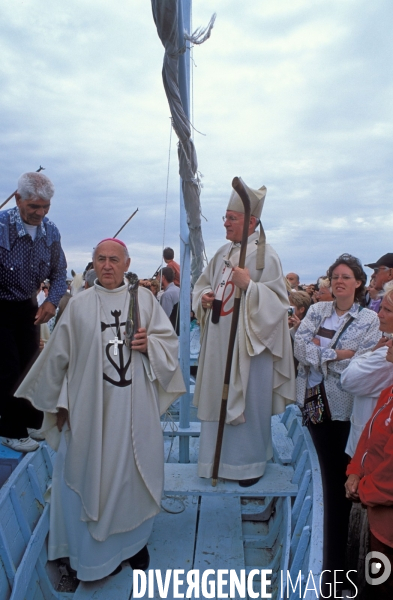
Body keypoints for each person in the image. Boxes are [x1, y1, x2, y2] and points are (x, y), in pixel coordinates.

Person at [15, 238, 185, 581]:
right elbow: (57, 358)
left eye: (114, 260)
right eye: (101, 259)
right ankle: (89, 557)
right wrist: (57, 406)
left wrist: (150, 345)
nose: (107, 265)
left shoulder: (145, 300)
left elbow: (170, 345)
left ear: (127, 263)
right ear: (93, 264)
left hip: (134, 409)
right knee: (88, 472)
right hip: (89, 409)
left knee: (132, 476)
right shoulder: (79, 305)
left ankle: (133, 544)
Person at [192, 182, 295, 487]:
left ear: (250, 221)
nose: (225, 222)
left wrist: (250, 286)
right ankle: (216, 462)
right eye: (225, 217)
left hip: (250, 347)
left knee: (249, 404)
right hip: (218, 343)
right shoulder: (224, 252)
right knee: (217, 400)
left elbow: (279, 304)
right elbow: (202, 284)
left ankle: (247, 466)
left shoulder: (267, 256)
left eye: (231, 218)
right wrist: (205, 298)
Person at [294, 253, 381, 590]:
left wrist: (321, 350)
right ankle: (327, 567)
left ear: (358, 283)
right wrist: (334, 354)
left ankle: (334, 571)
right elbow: (299, 346)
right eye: (335, 276)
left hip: (342, 411)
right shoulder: (317, 310)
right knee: (321, 480)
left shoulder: (368, 321)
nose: (339, 281)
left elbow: (356, 367)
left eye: (346, 276)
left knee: (336, 488)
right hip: (313, 406)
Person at [0, 171, 67, 452]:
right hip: (0, 306)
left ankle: (30, 421)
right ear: (18, 199)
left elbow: (59, 272)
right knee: (7, 368)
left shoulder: (51, 231)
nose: (40, 213)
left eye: (45, 207)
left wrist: (51, 301)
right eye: (34, 207)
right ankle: (9, 429)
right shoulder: (1, 227)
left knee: (31, 366)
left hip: (29, 307)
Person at [345, 378, 393, 599]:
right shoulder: (389, 392)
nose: (388, 344)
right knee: (377, 579)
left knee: (384, 585)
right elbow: (368, 435)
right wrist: (355, 471)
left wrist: (362, 490)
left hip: (387, 527)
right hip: (378, 520)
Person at [341, 288, 393, 457]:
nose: (379, 314)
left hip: (370, 449)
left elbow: (348, 380)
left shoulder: (386, 355)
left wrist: (364, 354)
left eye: (388, 310)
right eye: (381, 308)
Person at [160, 266, 180, 334]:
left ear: (163, 277)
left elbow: (165, 318)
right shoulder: (179, 290)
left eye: (158, 276)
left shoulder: (167, 295)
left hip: (173, 333)